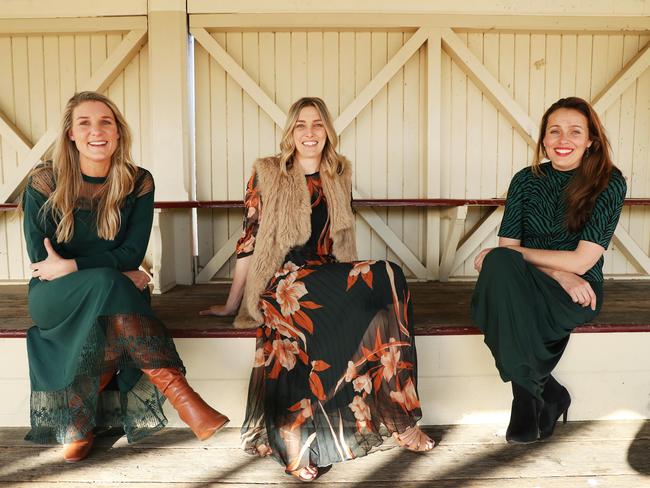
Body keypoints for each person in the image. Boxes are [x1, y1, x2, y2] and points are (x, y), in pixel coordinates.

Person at [200, 97, 434, 481]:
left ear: (328, 131)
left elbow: (344, 240)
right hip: (283, 280)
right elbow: (249, 240)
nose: (310, 133)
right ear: (290, 133)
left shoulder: (338, 173)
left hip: (327, 273)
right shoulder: (268, 172)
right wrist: (233, 304)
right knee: (379, 278)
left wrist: (354, 290)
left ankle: (399, 413)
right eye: (301, 125)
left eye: (318, 124)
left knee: (388, 283)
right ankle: (372, 424)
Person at [22, 91, 229, 462]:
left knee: (112, 302)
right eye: (84, 123)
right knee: (109, 283)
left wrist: (79, 264)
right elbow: (44, 263)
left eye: (106, 122)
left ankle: (79, 422)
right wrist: (102, 269)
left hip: (114, 296)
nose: (96, 131)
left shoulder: (137, 182)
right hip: (56, 299)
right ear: (70, 133)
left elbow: (132, 254)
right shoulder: (44, 183)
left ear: (118, 133)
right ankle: (184, 399)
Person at [471, 97, 626, 444]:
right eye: (554, 131)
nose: (562, 139)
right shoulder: (526, 180)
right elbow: (507, 250)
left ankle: (534, 397)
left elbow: (582, 262)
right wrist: (558, 271)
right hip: (545, 282)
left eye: (574, 131)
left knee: (499, 274)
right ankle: (534, 397)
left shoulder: (608, 182)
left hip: (579, 290)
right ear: (543, 139)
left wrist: (563, 272)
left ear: (591, 140)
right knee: (499, 266)